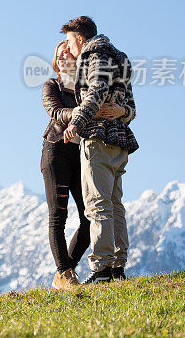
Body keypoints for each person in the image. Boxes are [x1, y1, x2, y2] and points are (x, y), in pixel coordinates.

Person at [41, 40, 125, 289]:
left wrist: (121, 110)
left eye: (68, 50)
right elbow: (57, 113)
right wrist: (86, 111)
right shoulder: (51, 86)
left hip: (84, 152)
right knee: (58, 215)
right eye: (60, 53)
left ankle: (66, 270)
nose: (65, 54)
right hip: (56, 151)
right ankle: (64, 272)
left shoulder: (86, 85)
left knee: (90, 215)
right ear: (56, 62)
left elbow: (113, 99)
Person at [62, 16, 138, 284]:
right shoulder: (121, 57)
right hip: (121, 141)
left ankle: (102, 269)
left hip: (98, 137)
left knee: (98, 205)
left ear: (80, 38)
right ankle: (117, 268)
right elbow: (131, 106)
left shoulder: (94, 54)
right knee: (115, 205)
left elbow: (96, 90)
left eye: (70, 41)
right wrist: (123, 112)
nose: (69, 48)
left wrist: (76, 122)